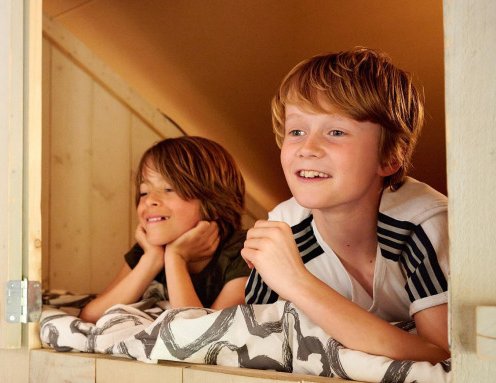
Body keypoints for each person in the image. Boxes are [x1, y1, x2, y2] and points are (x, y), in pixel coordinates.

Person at [241, 47, 450, 364]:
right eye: (296, 131)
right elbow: (254, 345)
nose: (307, 148)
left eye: (336, 131)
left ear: (389, 157)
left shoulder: (424, 222)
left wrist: (297, 282)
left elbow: (445, 358)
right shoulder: (283, 228)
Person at [79, 136, 250, 323]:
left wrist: (176, 258)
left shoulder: (243, 251)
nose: (149, 200)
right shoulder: (150, 249)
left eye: (169, 189)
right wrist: (151, 260)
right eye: (144, 192)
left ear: (215, 202)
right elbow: (90, 317)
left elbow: (200, 337)